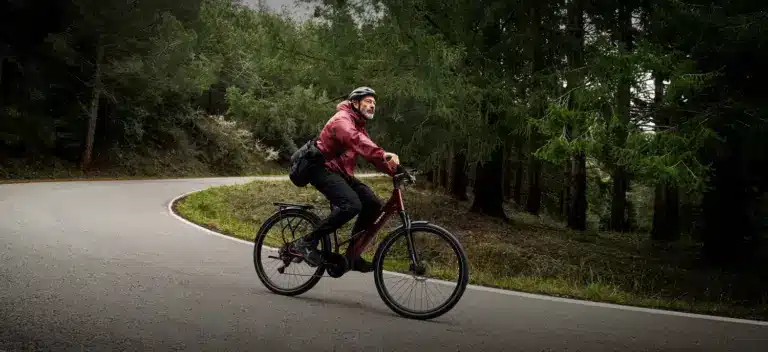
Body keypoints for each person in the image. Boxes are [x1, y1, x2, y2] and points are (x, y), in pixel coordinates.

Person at [292, 86, 400, 272]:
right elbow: (358, 141)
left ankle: (352, 255)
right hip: (320, 168)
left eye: (374, 103)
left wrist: (396, 171)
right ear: (355, 103)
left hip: (339, 171)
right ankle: (307, 241)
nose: (372, 105)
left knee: (372, 204)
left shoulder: (359, 125)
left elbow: (371, 153)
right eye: (368, 101)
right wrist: (384, 155)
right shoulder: (342, 120)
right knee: (351, 205)